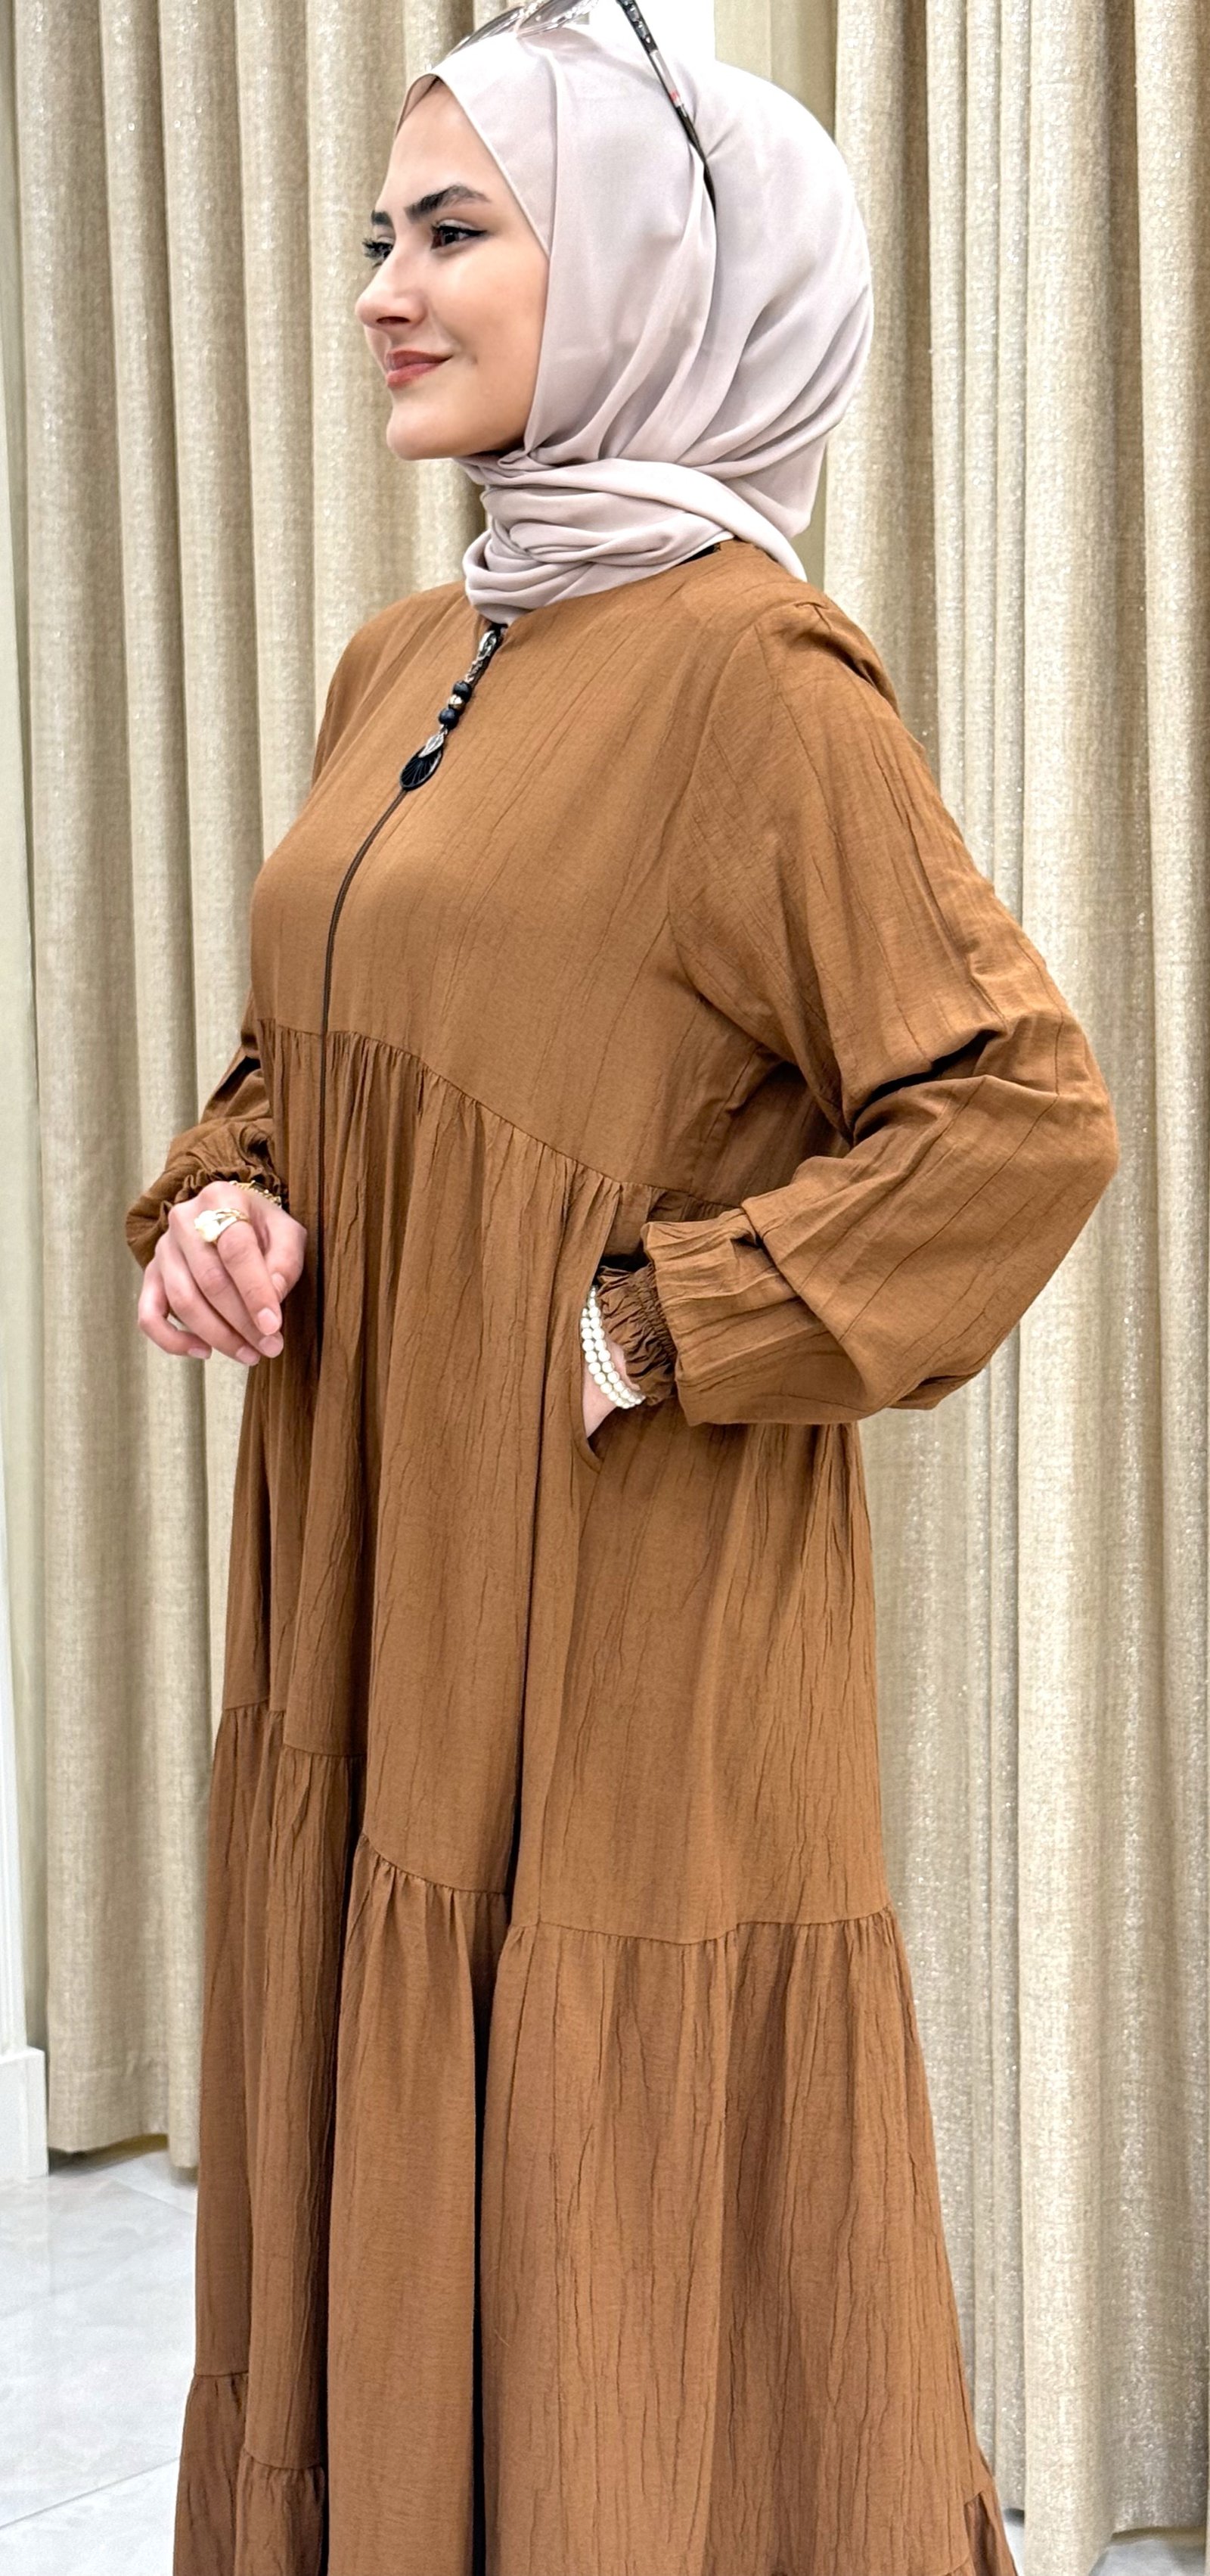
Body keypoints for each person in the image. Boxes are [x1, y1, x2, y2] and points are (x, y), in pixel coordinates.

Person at [124, 7, 1119, 2571]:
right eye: (376, 233)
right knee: (386, 2118)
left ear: (661, 271)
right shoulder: (408, 656)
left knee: (604, 2208)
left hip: (620, 1619)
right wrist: (227, 1197)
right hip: (370, 1576)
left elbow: (1016, 1113)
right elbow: (317, 1054)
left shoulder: (755, 680)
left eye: (455, 229)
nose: (381, 287)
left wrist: (659, 1324)